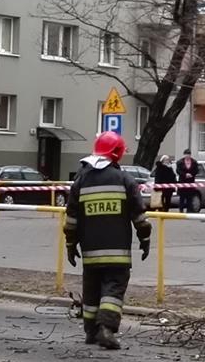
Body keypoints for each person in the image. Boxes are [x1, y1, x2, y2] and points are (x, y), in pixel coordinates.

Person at [64, 130, 152, 350]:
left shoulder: (81, 179)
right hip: (117, 252)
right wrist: (145, 238)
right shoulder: (125, 180)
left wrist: (70, 244)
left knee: (92, 290)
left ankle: (91, 332)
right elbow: (139, 217)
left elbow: (71, 219)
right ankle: (107, 328)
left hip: (90, 252)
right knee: (113, 289)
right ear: (118, 153)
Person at [175, 148, 201, 214]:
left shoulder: (194, 162)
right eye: (186, 154)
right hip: (182, 181)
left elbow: (197, 170)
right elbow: (178, 171)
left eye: (188, 154)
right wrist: (185, 174)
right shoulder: (180, 162)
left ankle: (189, 210)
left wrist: (192, 174)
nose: (187, 156)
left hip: (191, 181)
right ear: (184, 155)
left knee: (190, 197)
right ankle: (181, 210)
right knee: (182, 197)